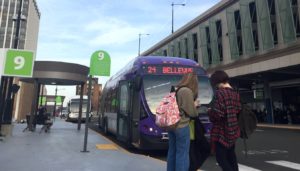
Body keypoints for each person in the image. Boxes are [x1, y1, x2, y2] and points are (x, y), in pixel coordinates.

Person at [208, 70, 241, 171]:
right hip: (233, 129)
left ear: (217, 81)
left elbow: (218, 114)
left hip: (222, 131)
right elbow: (238, 109)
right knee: (231, 156)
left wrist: (210, 111)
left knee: (221, 158)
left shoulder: (220, 93)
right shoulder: (235, 93)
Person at [167, 72, 199, 171]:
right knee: (183, 153)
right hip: (181, 125)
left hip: (171, 124)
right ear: (193, 81)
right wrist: (195, 105)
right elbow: (192, 113)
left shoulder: (175, 89)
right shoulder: (186, 91)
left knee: (172, 151)